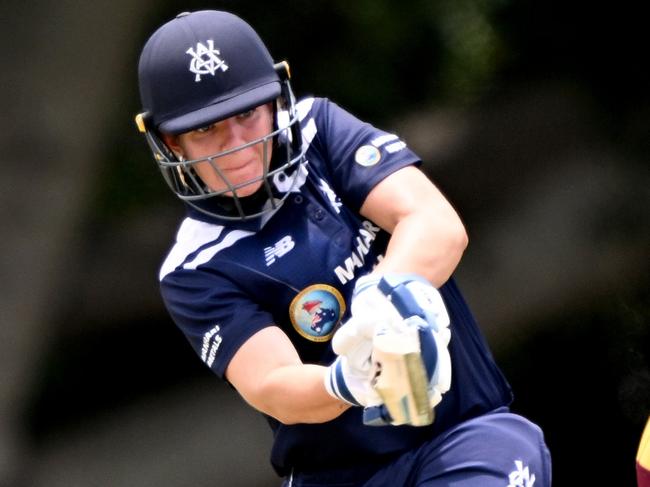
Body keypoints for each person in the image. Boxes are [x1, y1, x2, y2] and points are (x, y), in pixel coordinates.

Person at [135, 9, 551, 486]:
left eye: (248, 114)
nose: (238, 146)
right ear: (171, 142)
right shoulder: (194, 266)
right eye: (206, 129)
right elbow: (272, 384)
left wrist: (385, 300)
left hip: (461, 436)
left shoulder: (320, 130)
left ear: (275, 100)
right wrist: (351, 381)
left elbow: (435, 223)